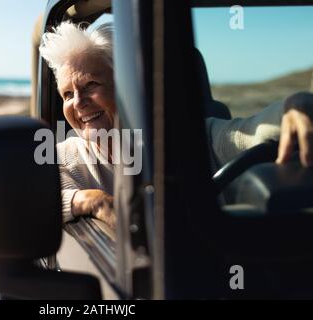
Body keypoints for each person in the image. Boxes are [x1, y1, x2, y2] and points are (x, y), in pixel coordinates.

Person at [39, 21, 313, 228]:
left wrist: (297, 106)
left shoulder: (194, 137)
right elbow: (28, 202)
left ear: (129, 88)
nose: (78, 102)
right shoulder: (65, 156)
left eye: (90, 85)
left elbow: (253, 131)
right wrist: (91, 201)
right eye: (67, 94)